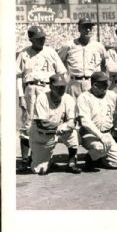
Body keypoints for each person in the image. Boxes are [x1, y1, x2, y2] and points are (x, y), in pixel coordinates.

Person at [16, 25, 67, 171]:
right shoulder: (24, 53)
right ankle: (25, 161)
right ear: (30, 39)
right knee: (28, 123)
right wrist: (21, 95)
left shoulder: (51, 52)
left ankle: (44, 158)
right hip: (30, 89)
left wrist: (58, 92)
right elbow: (18, 77)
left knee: (46, 121)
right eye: (38, 38)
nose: (42, 40)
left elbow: (61, 73)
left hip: (47, 89)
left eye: (43, 38)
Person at [30, 74, 80, 175]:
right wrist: (62, 126)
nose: (61, 90)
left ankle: (71, 162)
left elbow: (72, 121)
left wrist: (69, 124)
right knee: (40, 170)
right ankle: (41, 157)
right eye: (57, 87)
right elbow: (42, 123)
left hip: (59, 132)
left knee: (73, 133)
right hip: (42, 136)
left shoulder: (68, 98)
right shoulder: (42, 97)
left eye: (63, 87)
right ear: (51, 87)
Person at [77, 71, 117, 171]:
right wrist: (100, 136)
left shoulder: (112, 95)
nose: (107, 85)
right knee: (100, 148)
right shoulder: (84, 97)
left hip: (107, 133)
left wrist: (112, 127)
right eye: (103, 84)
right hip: (89, 135)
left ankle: (99, 158)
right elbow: (85, 122)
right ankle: (90, 158)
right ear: (95, 85)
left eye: (107, 83)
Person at [58, 18, 107, 99]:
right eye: (85, 27)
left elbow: (104, 63)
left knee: (92, 109)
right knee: (73, 109)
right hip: (74, 83)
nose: (88, 29)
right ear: (79, 29)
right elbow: (58, 62)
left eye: (90, 27)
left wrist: (103, 80)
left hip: (93, 84)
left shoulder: (99, 46)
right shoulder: (69, 45)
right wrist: (64, 78)